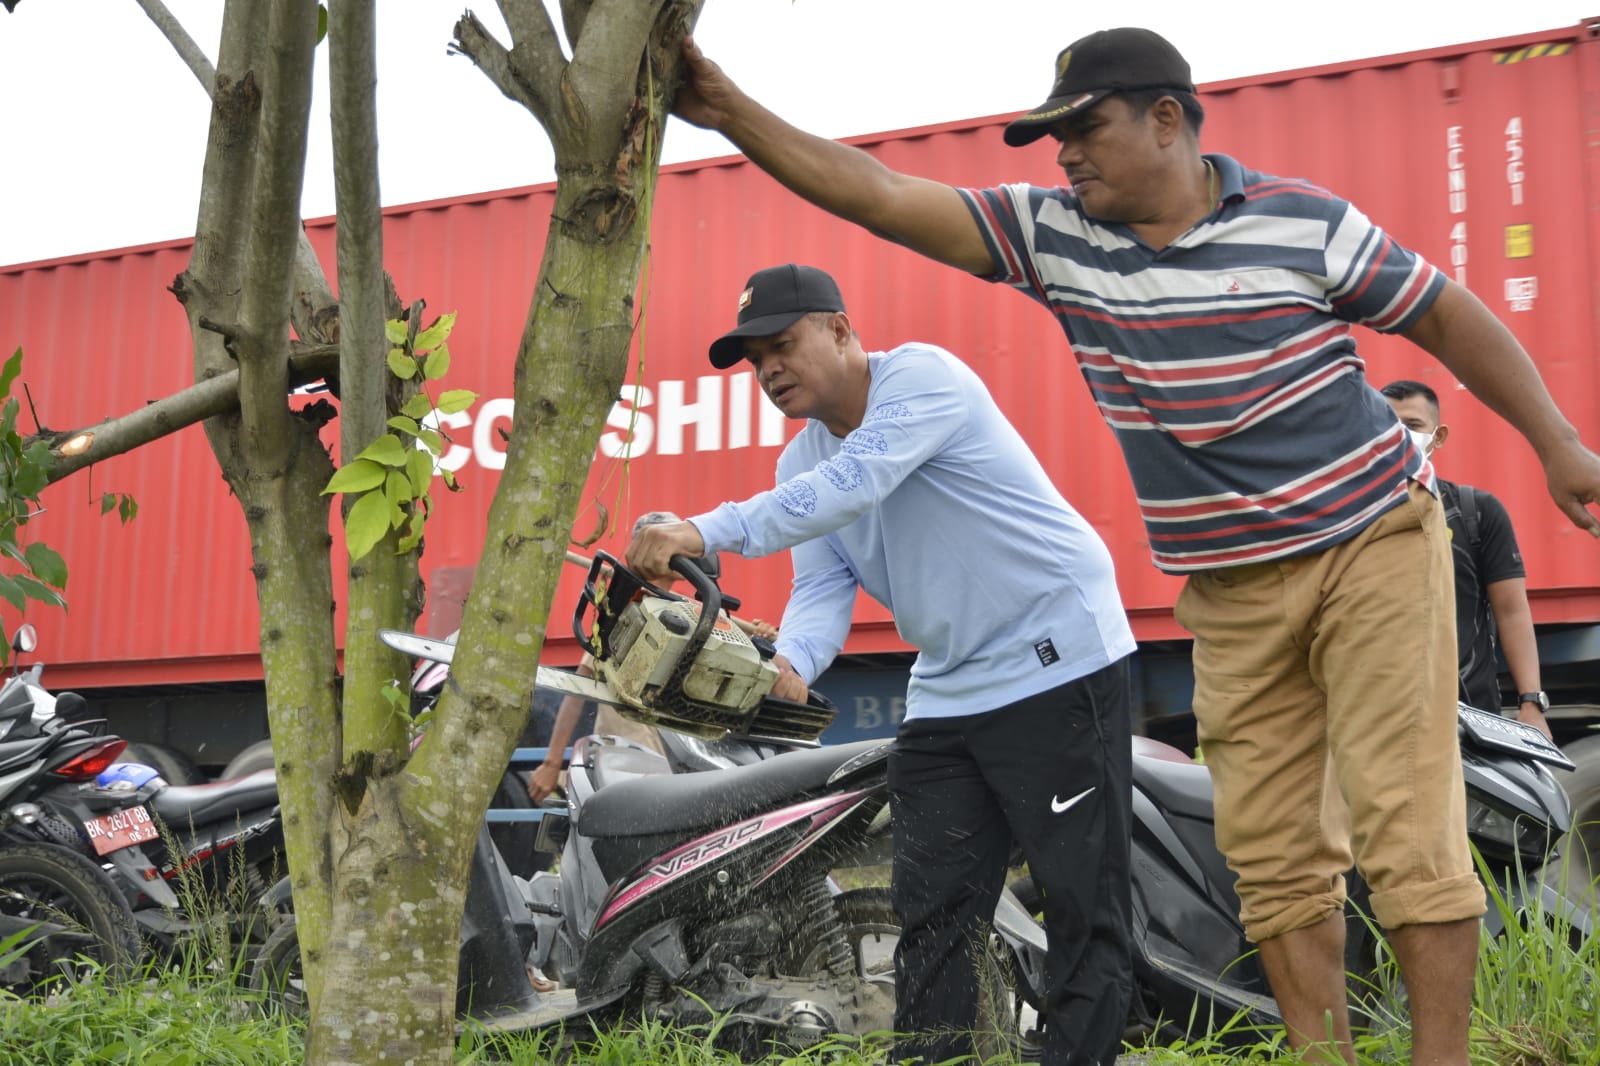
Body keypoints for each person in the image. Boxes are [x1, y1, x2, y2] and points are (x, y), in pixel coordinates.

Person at [668, 25, 1600, 1066]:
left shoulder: (1300, 223)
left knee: (1401, 825)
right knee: (1272, 854)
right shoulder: (1057, 239)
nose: (1061, 154)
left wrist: (1557, 443)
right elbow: (880, 195)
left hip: (1369, 539)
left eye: (1083, 129)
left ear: (1167, 120)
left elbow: (1443, 314)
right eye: (1052, 136)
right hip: (1230, 587)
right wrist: (728, 111)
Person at [626, 262, 1137, 1066]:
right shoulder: (798, 464)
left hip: (1058, 658)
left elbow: (855, 485)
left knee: (1081, 903)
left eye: (781, 346)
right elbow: (825, 582)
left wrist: (703, 529)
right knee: (930, 908)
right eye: (755, 360)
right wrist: (789, 665)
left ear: (839, 329)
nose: (768, 371)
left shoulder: (925, 380)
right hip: (947, 686)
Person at [526, 511, 776, 804]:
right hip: (622, 766)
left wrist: (757, 635)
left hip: (679, 768)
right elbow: (576, 693)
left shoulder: (694, 616)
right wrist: (553, 762)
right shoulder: (622, 614)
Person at [1382, 380, 1554, 740]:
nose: (1397, 436)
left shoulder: (1477, 512)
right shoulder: (1347, 515)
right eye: (1386, 424)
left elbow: (1511, 610)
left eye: (1412, 426)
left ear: (1438, 436)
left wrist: (1531, 703)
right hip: (1377, 716)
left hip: (1469, 721)